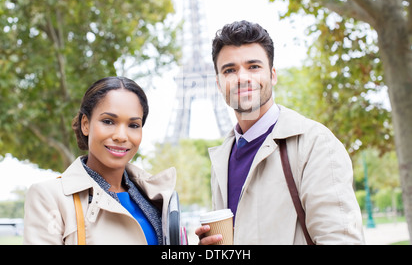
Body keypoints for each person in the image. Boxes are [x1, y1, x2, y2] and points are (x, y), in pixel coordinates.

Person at [196, 20, 364, 245]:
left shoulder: (315, 144)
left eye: (254, 67)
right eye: (230, 70)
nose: (242, 78)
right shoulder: (223, 158)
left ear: (272, 75)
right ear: (218, 83)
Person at [24, 76, 176, 245]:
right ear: (85, 124)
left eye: (133, 125)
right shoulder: (49, 197)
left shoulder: (156, 197)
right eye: (108, 121)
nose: (121, 136)